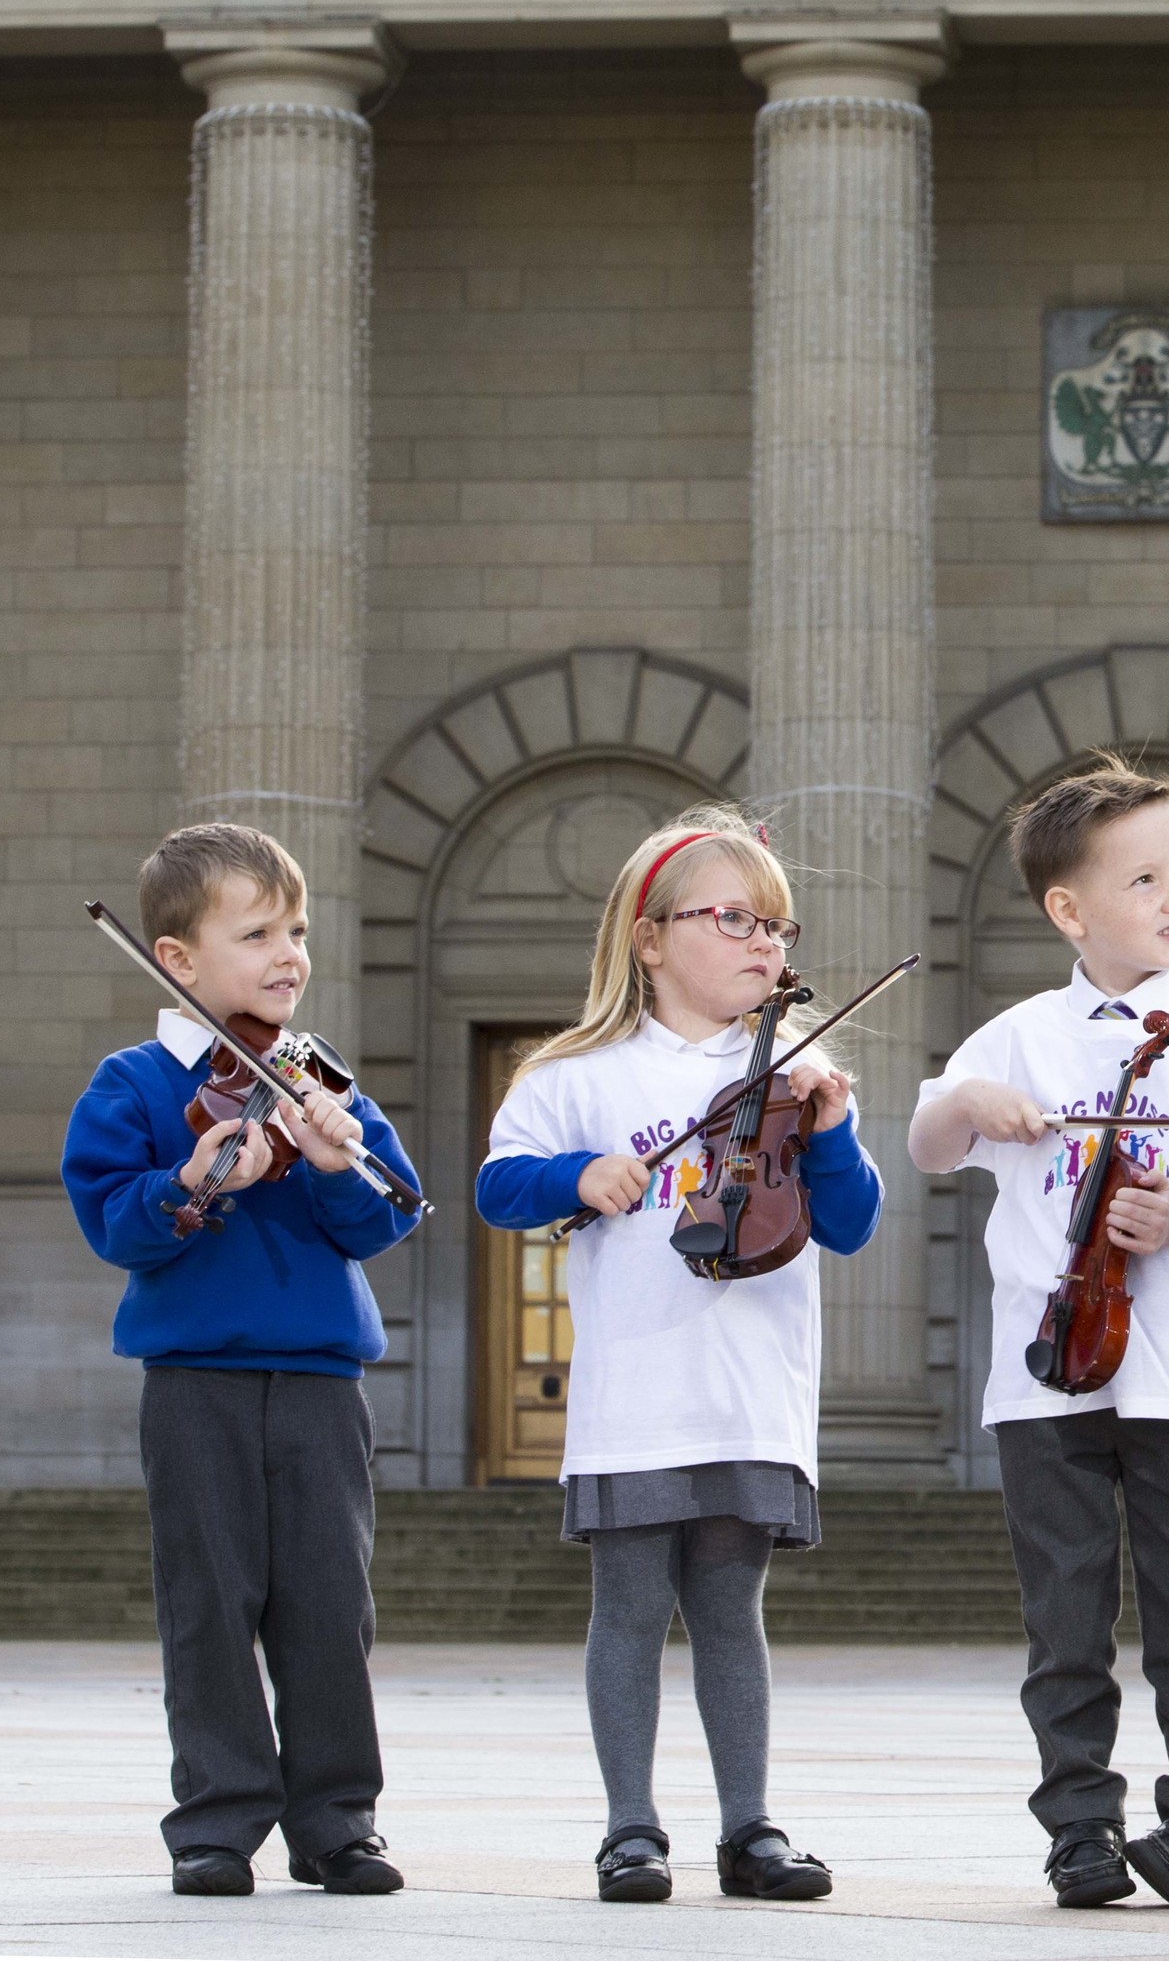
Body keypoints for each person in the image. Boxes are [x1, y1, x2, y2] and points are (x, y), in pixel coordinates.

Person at [909, 759, 1169, 1911]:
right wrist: (968, 1103)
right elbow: (934, 1146)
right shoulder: (1018, 1037)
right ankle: (1078, 1821)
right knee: (1065, 1615)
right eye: (1144, 878)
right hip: (1050, 1372)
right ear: (1069, 909)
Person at [475, 805, 882, 1906]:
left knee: (729, 1608)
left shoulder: (800, 1083)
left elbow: (849, 1225)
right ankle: (629, 1828)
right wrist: (578, 1177)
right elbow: (497, 1186)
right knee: (629, 1606)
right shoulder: (579, 1075)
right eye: (738, 919)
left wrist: (835, 1135)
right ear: (650, 938)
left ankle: (749, 1827)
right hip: (637, 1390)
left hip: (751, 1392)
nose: (767, 945)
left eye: (779, 927)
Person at [62, 822, 425, 1899]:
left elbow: (384, 1221)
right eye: (257, 930)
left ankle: (335, 1823)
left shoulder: (323, 1083)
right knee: (208, 1600)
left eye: (297, 929)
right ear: (176, 957)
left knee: (327, 1604)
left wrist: (326, 1162)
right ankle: (217, 1823)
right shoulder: (132, 1085)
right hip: (194, 1383)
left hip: (320, 1382)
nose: (288, 953)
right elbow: (113, 1223)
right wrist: (192, 1181)